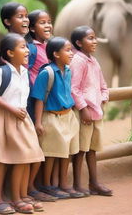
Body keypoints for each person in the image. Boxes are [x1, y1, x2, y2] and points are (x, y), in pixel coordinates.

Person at [0, 33, 44, 214]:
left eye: (26, 47)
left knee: (27, 156)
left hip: (21, 117)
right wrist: (11, 109)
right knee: (2, 158)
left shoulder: (24, 72)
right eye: (22, 47)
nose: (27, 51)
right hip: (2, 118)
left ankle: (20, 195)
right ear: (9, 52)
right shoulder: (1, 71)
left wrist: (20, 113)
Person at [31, 37, 84, 199]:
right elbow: (39, 98)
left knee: (67, 151)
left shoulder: (67, 70)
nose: (71, 53)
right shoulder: (46, 73)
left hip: (67, 116)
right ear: (56, 54)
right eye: (67, 50)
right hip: (52, 117)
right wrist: (38, 122)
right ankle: (47, 185)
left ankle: (63, 184)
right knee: (51, 153)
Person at [70, 25, 113, 196]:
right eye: (90, 38)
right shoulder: (78, 61)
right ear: (79, 43)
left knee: (92, 149)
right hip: (85, 114)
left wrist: (103, 99)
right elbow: (74, 88)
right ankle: (77, 184)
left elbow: (103, 85)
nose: (94, 41)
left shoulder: (94, 61)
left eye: (95, 38)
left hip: (96, 112)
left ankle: (94, 182)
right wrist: (83, 108)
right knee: (81, 149)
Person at [25, 10, 57, 202]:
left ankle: (41, 185)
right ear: (32, 28)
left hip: (49, 104)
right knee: (34, 145)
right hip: (33, 101)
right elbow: (26, 71)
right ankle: (29, 187)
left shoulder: (50, 46)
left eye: (49, 22)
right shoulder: (32, 48)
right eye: (42, 23)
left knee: (45, 144)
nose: (47, 26)